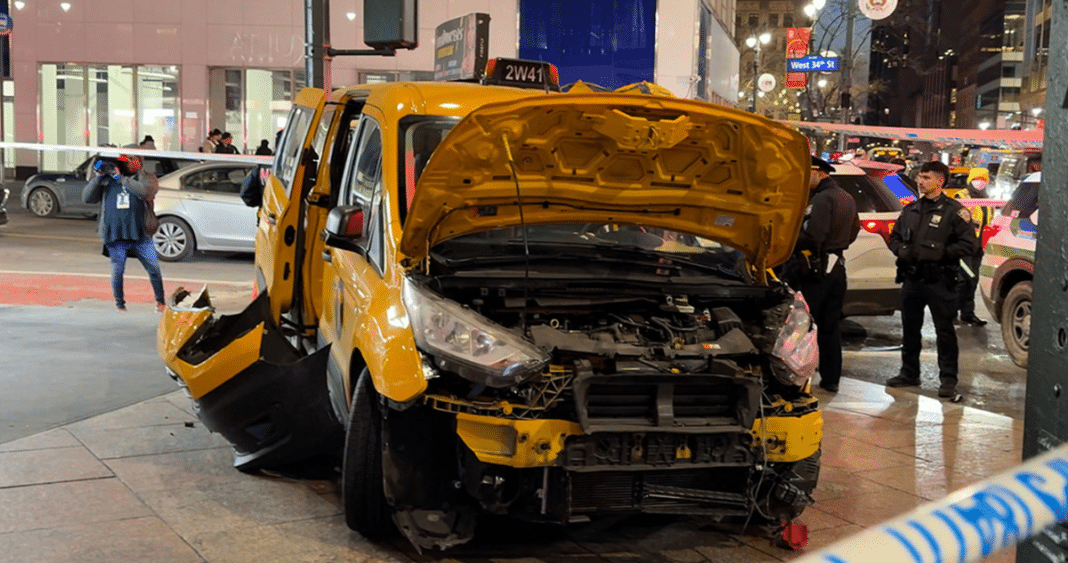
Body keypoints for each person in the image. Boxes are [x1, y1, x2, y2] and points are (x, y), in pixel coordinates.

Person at [886, 161, 978, 398]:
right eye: (919, 177)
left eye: (926, 177)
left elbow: (969, 244)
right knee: (910, 329)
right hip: (913, 279)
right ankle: (909, 372)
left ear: (940, 181)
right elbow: (894, 236)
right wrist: (900, 251)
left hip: (940, 279)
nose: (920, 181)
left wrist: (941, 253)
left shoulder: (954, 211)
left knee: (944, 331)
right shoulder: (911, 209)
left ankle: (948, 380)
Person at [785, 155, 860, 393]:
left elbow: (813, 235)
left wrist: (790, 242)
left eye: (808, 174)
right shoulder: (846, 197)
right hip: (836, 267)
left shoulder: (822, 198)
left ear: (820, 173)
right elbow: (853, 230)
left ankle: (799, 377)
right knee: (830, 326)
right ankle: (831, 378)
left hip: (815, 270)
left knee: (804, 325)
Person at [82, 155, 166, 312]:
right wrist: (99, 177)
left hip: (140, 233)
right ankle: (120, 305)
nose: (128, 163)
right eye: (124, 160)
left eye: (131, 160)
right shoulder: (106, 180)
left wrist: (120, 178)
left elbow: (145, 192)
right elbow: (87, 198)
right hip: (115, 233)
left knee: (154, 268)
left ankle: (160, 302)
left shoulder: (146, 178)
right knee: (118, 270)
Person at [952, 167, 994, 326]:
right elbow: (957, 221)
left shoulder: (987, 199)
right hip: (964, 246)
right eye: (978, 179)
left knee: (972, 280)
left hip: (978, 247)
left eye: (984, 180)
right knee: (962, 280)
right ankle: (952, 313)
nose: (981, 182)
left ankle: (967, 313)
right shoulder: (962, 196)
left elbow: (987, 221)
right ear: (971, 180)